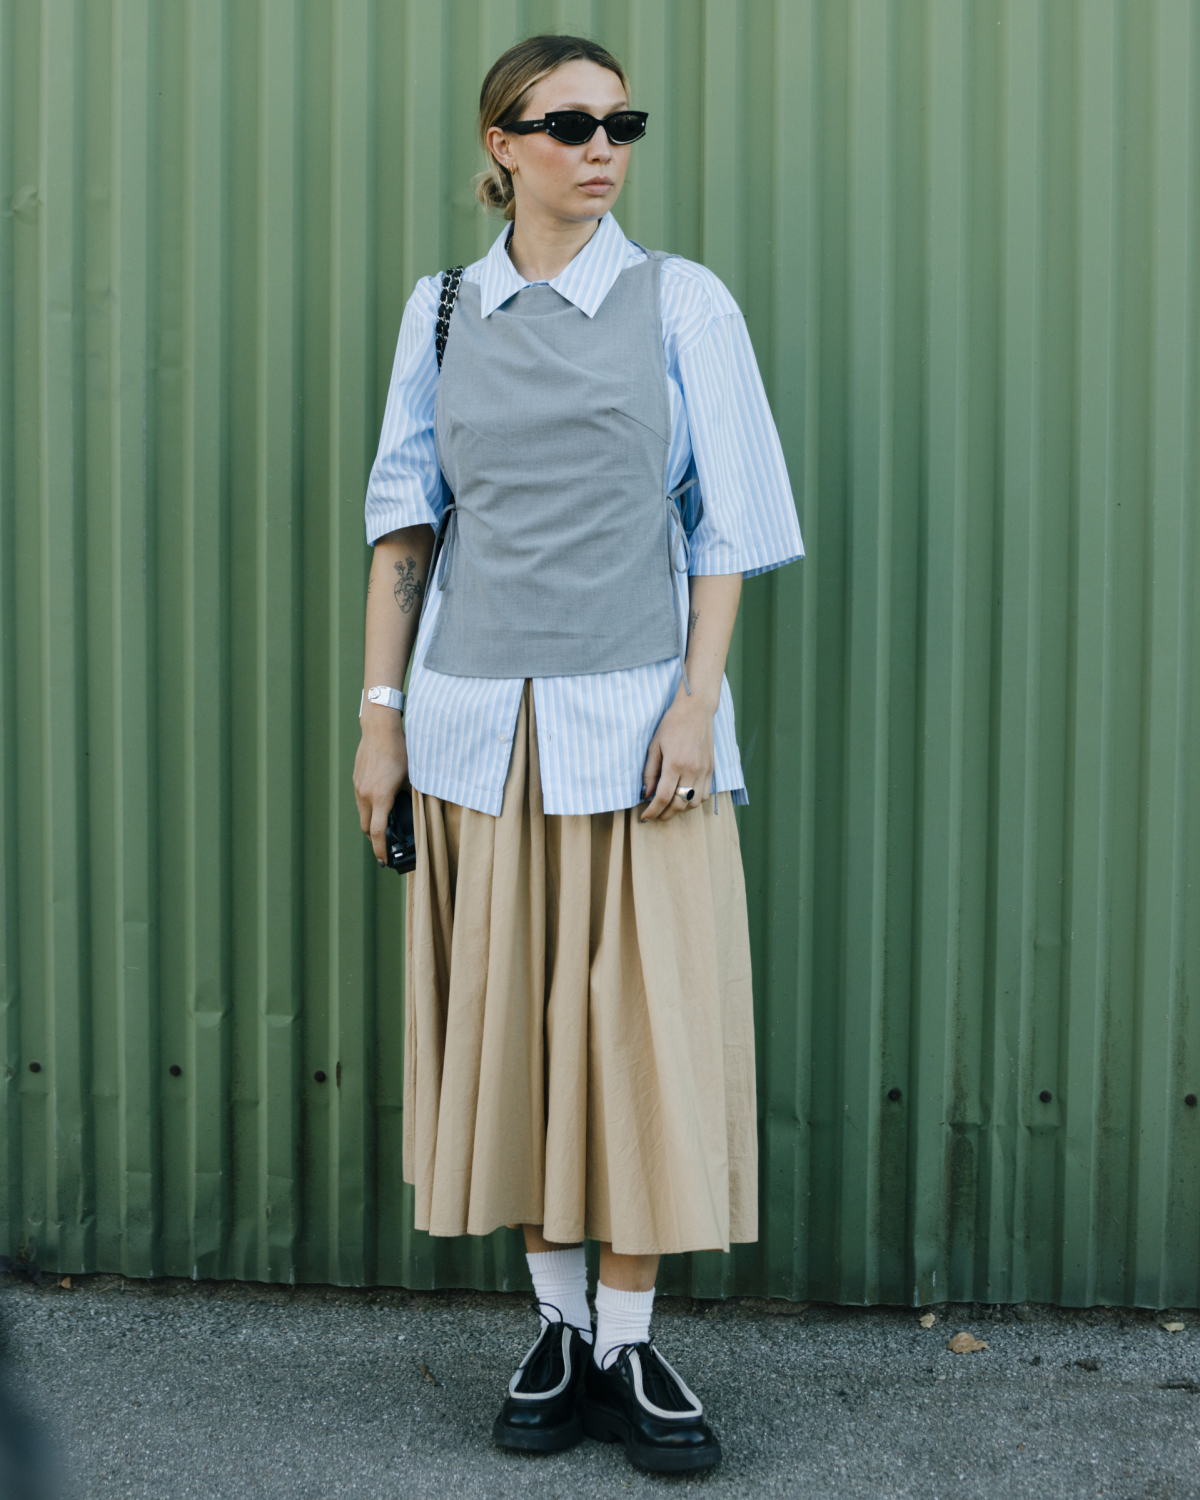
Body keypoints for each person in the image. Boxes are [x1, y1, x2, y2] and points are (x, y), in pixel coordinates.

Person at [353, 32, 802, 1475]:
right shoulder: (442, 311)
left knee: (640, 1036)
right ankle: (555, 1329)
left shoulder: (683, 301)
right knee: (521, 1032)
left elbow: (729, 523)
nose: (602, 147)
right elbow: (406, 517)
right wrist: (379, 719)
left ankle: (628, 1337)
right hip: (477, 734)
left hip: (636, 735)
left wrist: (696, 704)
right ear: (503, 146)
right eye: (569, 124)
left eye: (622, 123)